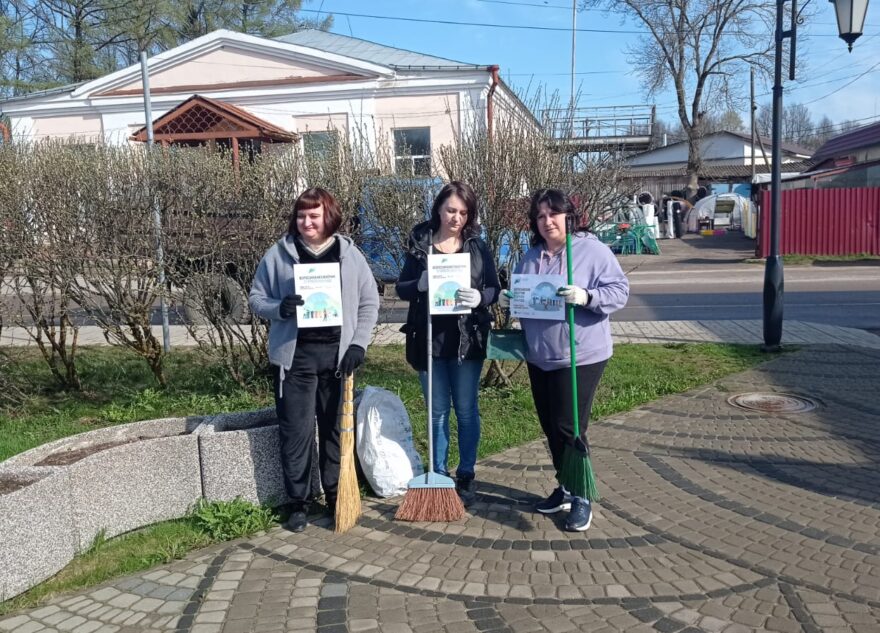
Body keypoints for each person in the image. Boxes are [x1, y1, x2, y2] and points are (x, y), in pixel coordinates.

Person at [249, 187, 379, 533]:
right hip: (296, 359)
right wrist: (280, 308)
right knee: (297, 432)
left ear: (328, 217)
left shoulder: (349, 255)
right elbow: (256, 299)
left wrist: (358, 345)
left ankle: (337, 495)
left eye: (314, 215)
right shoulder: (279, 254)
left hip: (337, 358)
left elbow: (369, 302)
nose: (307, 222)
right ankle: (298, 503)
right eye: (301, 215)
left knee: (336, 431)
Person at [500, 188, 629, 532]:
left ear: (568, 216)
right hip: (540, 356)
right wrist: (510, 300)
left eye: (553, 214)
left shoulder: (591, 251)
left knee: (569, 427)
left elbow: (620, 291)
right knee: (550, 426)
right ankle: (566, 485)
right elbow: (525, 301)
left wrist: (587, 296)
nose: (547, 221)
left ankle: (582, 495)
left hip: (580, 355)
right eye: (540, 216)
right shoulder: (531, 257)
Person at [396, 181, 500, 506]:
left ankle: (466, 472)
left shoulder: (477, 247)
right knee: (437, 412)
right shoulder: (420, 245)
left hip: (467, 341)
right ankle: (439, 473)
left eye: (463, 213)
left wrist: (480, 297)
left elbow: (495, 287)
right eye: (451, 210)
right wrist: (419, 284)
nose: (456, 218)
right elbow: (401, 287)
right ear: (439, 209)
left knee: (466, 410)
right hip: (429, 341)